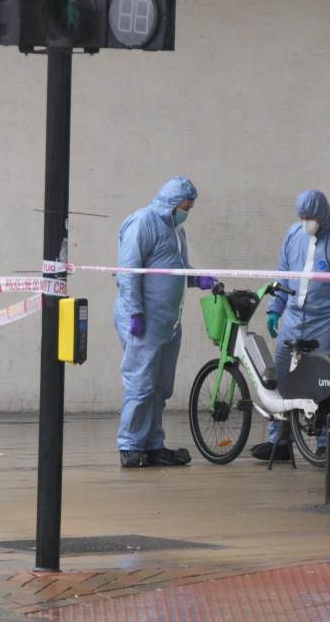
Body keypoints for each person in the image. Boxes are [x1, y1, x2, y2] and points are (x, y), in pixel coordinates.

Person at [113, 176, 217, 468]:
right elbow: (128, 271)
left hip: (168, 323)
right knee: (141, 383)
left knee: (160, 387)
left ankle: (152, 445)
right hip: (144, 320)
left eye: (190, 208)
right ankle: (130, 445)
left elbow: (176, 269)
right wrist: (135, 313)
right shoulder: (143, 222)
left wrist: (199, 278)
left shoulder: (175, 229)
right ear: (172, 203)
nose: (187, 212)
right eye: (184, 207)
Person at [250, 189, 330, 461]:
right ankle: (278, 440)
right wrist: (275, 309)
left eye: (310, 216)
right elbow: (284, 273)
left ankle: (325, 441)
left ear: (322, 215)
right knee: (280, 376)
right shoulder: (294, 235)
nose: (306, 222)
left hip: (326, 320)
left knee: (325, 382)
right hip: (293, 317)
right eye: (301, 216)